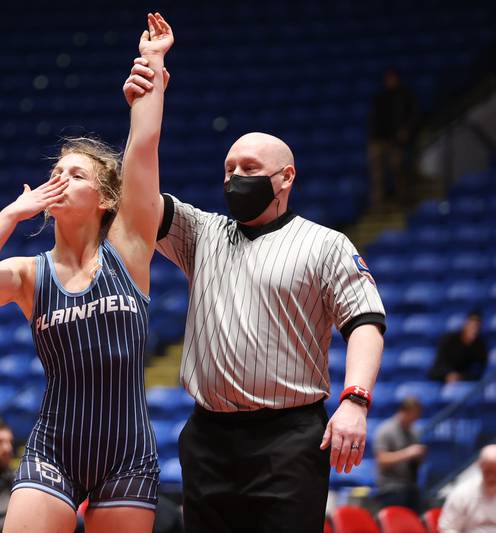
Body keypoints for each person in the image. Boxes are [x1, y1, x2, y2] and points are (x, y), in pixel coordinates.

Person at [123, 74, 386, 532]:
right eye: (229, 168)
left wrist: (355, 401)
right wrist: (146, 107)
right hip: (208, 436)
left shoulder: (325, 244)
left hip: (288, 438)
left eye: (248, 167)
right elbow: (139, 197)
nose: (235, 177)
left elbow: (365, 321)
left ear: (286, 177)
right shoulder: (202, 233)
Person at [0, 13, 173, 533]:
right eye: (55, 173)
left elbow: (143, 147)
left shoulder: (130, 247)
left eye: (77, 174)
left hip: (127, 452)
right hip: (53, 448)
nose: (60, 180)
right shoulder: (30, 274)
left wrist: (153, 65)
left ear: (106, 197)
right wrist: (10, 215)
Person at [367, 67, 419, 210]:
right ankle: (378, 207)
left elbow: (412, 117)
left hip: (396, 142)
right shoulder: (379, 97)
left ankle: (403, 202)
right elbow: (373, 119)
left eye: (393, 78)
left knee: (398, 168)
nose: (390, 82)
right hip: (379, 139)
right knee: (377, 174)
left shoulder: (405, 96)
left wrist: (405, 132)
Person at [374, 397, 426, 511]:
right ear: (404, 412)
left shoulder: (414, 431)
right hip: (391, 489)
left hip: (411, 486)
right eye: (414, 415)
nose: (416, 419)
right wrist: (408, 453)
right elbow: (382, 460)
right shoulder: (386, 430)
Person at [439, 444, 496, 532]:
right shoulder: (462, 493)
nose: (492, 476)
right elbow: (448, 528)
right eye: (488, 471)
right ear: (480, 466)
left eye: (495, 471)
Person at [429, 310, 488, 383]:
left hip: (464, 380)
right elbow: (440, 362)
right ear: (466, 324)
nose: (474, 329)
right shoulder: (449, 339)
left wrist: (460, 376)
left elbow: (478, 370)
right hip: (442, 377)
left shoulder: (480, 346)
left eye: (477, 327)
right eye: (472, 325)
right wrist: (449, 374)